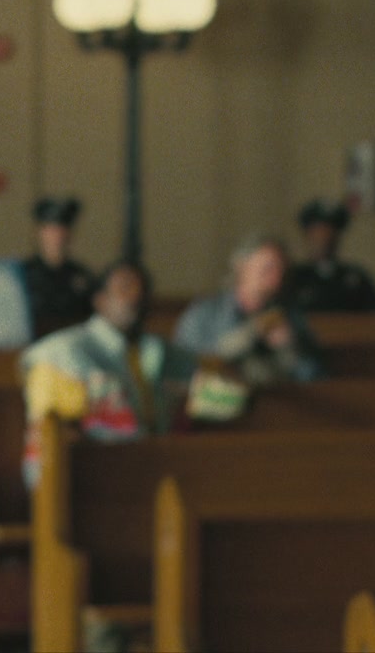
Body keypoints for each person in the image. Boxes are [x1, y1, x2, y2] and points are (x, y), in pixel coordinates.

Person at [19, 261, 243, 487]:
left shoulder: (164, 354)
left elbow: (225, 400)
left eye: (143, 289)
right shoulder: (62, 354)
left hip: (161, 472)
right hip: (99, 481)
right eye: (125, 287)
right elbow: (43, 447)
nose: (136, 296)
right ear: (100, 300)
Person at [174, 234, 324, 385]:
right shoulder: (204, 315)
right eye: (268, 268)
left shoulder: (291, 316)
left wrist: (289, 346)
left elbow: (315, 377)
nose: (277, 277)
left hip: (277, 398)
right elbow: (184, 368)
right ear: (242, 267)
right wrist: (248, 335)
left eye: (281, 269)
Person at [284, 198, 375, 312]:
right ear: (307, 235)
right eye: (318, 231)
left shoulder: (357, 279)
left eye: (330, 232)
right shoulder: (293, 278)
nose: (324, 238)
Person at [21, 196, 96, 337]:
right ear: (38, 232)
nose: (57, 235)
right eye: (51, 229)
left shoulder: (82, 276)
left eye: (62, 228)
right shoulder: (23, 275)